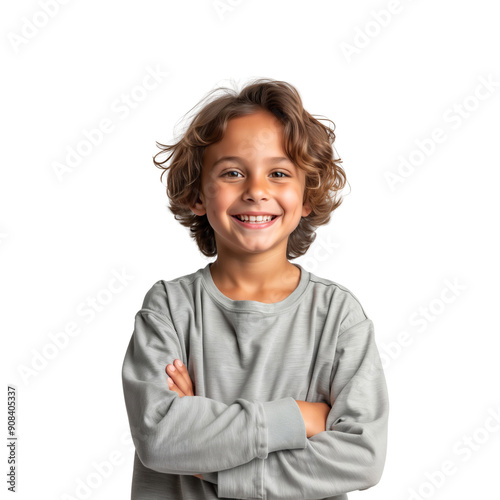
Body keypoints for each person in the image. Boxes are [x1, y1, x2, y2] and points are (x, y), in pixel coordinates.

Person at [121, 78, 389, 499]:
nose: (256, 190)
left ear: (306, 197)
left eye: (278, 173)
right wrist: (299, 419)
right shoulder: (169, 308)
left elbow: (360, 456)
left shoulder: (338, 317)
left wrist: (211, 460)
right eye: (232, 172)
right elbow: (160, 439)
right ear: (196, 194)